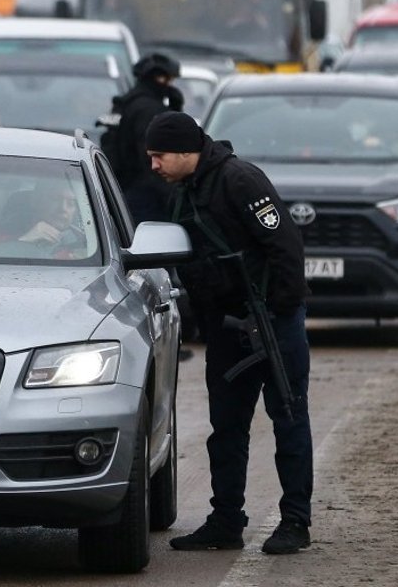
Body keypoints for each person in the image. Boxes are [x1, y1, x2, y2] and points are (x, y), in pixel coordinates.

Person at [146, 111, 313, 556]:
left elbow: (285, 248)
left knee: (289, 420)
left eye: (159, 156)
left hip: (272, 320)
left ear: (186, 151)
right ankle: (225, 521)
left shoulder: (240, 180)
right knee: (226, 428)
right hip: (228, 326)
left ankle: (295, 520)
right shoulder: (181, 194)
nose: (154, 165)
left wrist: (275, 314)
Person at [107, 53, 184, 223]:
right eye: (168, 80)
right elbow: (154, 156)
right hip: (146, 195)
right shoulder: (149, 111)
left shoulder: (125, 104)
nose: (170, 86)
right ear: (159, 78)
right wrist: (172, 197)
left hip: (121, 190)